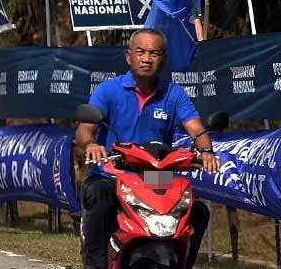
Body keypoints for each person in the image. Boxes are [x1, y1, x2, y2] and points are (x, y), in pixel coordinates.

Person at [75, 29, 219, 269]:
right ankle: (95, 264)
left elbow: (196, 128)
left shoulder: (174, 94)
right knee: (99, 195)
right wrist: (91, 144)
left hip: (155, 177)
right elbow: (83, 130)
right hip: (112, 175)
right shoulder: (108, 90)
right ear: (128, 56)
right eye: (140, 52)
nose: (146, 59)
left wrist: (206, 152)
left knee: (197, 210)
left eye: (154, 53)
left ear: (163, 59)